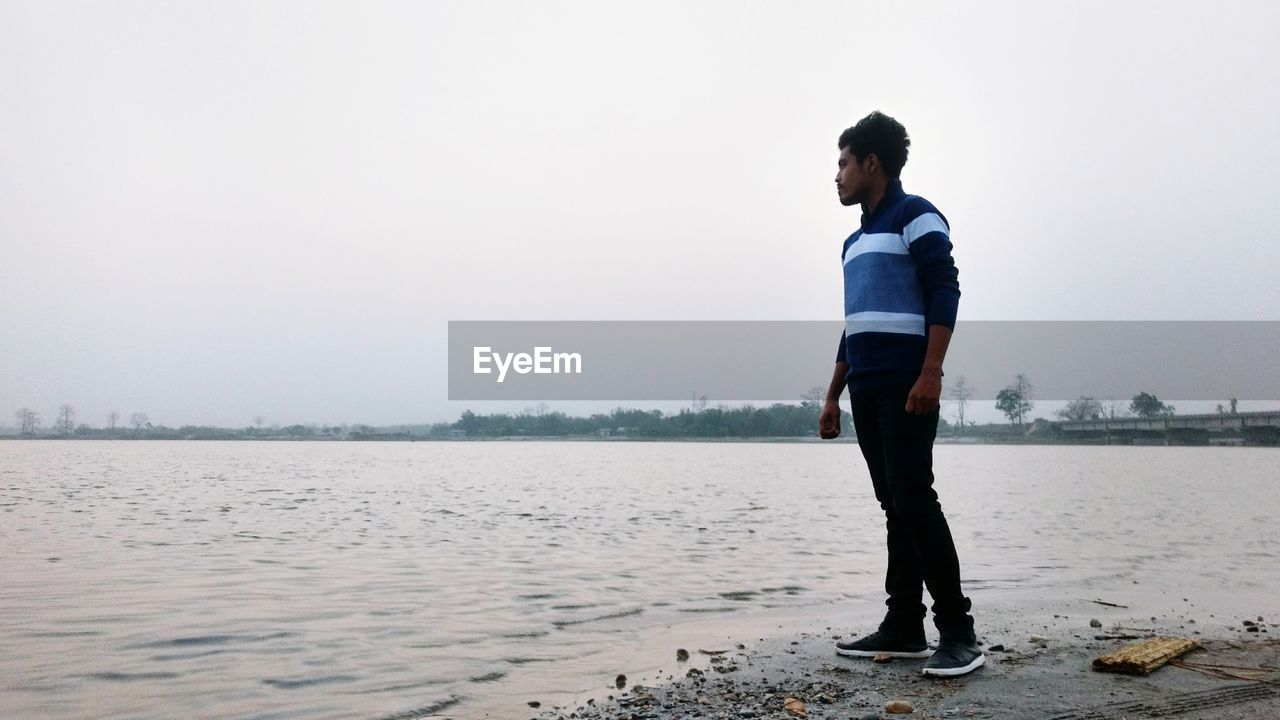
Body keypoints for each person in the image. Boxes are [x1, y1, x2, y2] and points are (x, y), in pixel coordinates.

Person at [818, 111, 983, 677]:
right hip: (865, 386)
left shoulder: (917, 216)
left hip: (908, 383)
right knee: (895, 505)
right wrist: (832, 395)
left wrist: (931, 371)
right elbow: (854, 322)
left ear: (872, 163)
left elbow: (945, 287)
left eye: (843, 163)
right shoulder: (852, 242)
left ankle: (958, 631)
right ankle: (904, 625)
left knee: (914, 498)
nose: (836, 175)